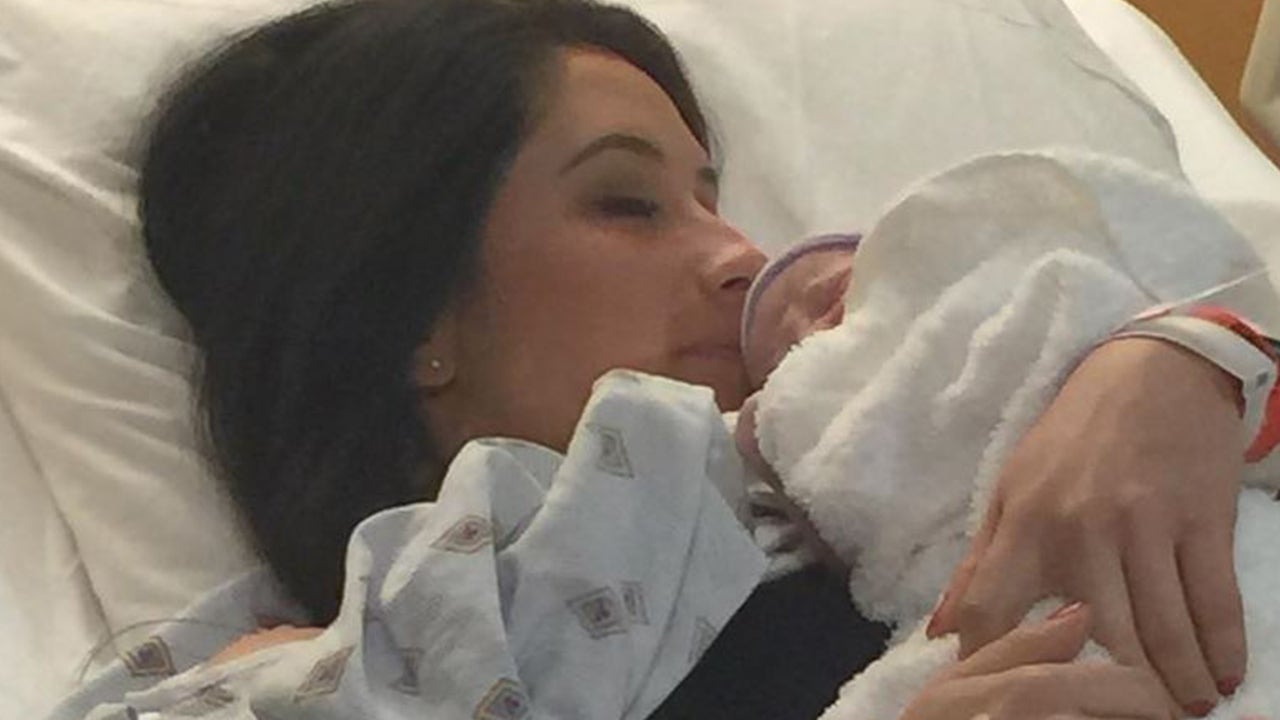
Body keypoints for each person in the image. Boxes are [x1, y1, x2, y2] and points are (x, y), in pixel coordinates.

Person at [138, 0, 1253, 717]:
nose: (742, 257)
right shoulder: (319, 676)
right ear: (409, 312)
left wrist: (1186, 364)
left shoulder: (883, 481)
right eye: (626, 204)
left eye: (712, 201)